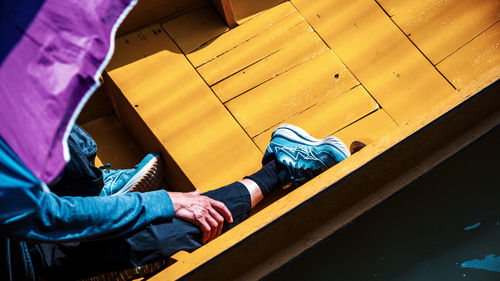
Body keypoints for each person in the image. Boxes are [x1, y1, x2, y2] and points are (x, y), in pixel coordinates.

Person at [1, 123, 353, 280]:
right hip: (28, 257)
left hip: (27, 214)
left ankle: (96, 190)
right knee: (158, 232)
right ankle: (280, 167)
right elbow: (50, 219)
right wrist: (163, 202)